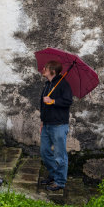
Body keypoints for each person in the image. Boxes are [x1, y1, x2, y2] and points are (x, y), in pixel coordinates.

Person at [39, 60, 73, 191]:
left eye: (46, 68)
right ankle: (53, 175)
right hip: (47, 125)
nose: (43, 69)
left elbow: (68, 101)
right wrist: (42, 121)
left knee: (60, 155)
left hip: (59, 125)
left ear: (52, 71)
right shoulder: (48, 84)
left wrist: (52, 101)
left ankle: (60, 182)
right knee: (45, 151)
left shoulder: (63, 84)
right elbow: (43, 105)